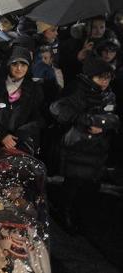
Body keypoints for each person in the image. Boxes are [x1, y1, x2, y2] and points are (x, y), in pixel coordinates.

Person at [50, 57, 119, 233]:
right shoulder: (77, 90)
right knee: (72, 183)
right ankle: (63, 213)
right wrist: (87, 121)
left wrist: (103, 123)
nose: (104, 82)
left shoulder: (109, 94)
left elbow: (113, 117)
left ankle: (80, 217)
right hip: (77, 145)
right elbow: (58, 109)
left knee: (87, 186)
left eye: (108, 78)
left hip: (97, 148)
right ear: (90, 77)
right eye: (100, 78)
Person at [0, 46, 44, 153]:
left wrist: (20, 135)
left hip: (23, 144)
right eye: (15, 64)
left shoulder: (35, 88)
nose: (19, 69)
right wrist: (1, 135)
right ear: (8, 65)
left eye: (23, 64)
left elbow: (38, 118)